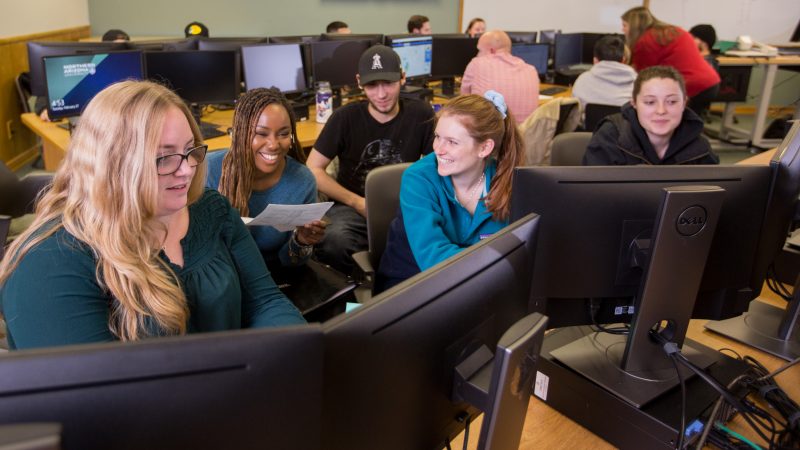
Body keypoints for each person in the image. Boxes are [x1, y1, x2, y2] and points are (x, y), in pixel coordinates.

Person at [0, 80, 305, 350]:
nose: (187, 169)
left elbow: (265, 302)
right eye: (164, 157)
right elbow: (93, 400)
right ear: (112, 164)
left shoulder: (211, 209)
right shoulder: (50, 260)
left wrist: (299, 357)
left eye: (190, 150)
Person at [376, 91, 525, 291]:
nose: (438, 149)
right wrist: (497, 265)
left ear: (485, 148)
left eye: (452, 142)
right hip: (412, 285)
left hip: (480, 285)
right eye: (437, 137)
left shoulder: (507, 180)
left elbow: (521, 247)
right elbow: (434, 258)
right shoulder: (419, 178)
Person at [305, 45, 435, 275]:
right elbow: (313, 168)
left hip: (405, 203)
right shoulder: (344, 118)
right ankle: (356, 301)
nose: (381, 94)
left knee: (430, 240)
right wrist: (357, 202)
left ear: (403, 78)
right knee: (333, 241)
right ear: (359, 82)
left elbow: (436, 164)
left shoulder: (421, 114)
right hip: (353, 207)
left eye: (389, 83)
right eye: (372, 85)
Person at [206, 87, 325, 270]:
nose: (273, 144)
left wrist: (301, 241)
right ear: (240, 134)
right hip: (222, 277)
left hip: (275, 276)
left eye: (284, 134)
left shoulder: (303, 181)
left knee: (352, 297)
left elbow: (291, 262)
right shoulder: (208, 172)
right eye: (261, 134)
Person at [582, 66, 719, 166]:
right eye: (650, 102)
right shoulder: (610, 137)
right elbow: (590, 197)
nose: (661, 110)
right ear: (634, 103)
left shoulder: (700, 147)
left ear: (684, 104)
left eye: (671, 102)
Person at [621, 6, 720, 117]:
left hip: (692, 87)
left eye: (625, 25)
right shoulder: (674, 30)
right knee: (689, 123)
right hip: (710, 83)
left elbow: (643, 77)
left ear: (634, 26)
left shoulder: (645, 42)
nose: (622, 30)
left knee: (666, 119)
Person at [460, 30, 540, 124]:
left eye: (480, 50)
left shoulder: (476, 64)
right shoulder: (531, 70)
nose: (477, 54)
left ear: (492, 51)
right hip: (524, 136)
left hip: (491, 134)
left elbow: (463, 103)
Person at [571, 35, 637, 119]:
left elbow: (574, 114)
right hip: (625, 131)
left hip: (590, 131)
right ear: (624, 60)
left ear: (595, 61)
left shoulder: (582, 80)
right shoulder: (638, 83)